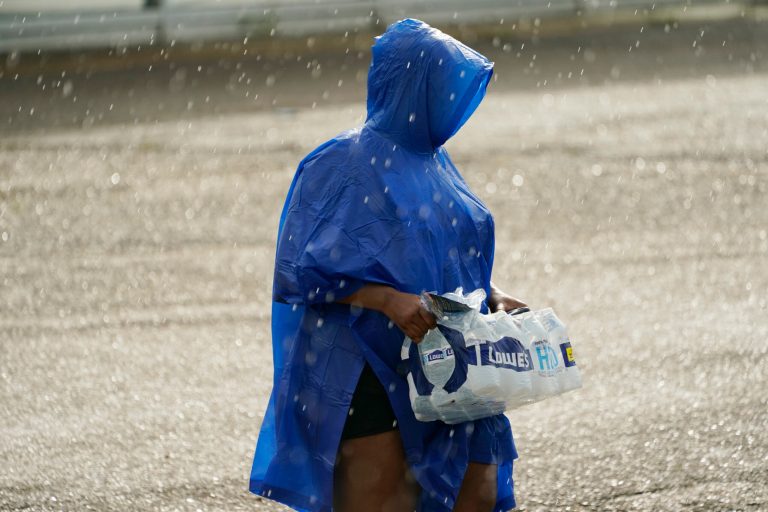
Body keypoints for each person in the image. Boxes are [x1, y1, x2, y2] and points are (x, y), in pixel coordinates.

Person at [250, 18, 527, 512]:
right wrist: (385, 299)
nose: (451, 99)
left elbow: (441, 258)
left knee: (473, 489)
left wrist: (491, 295)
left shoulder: (436, 163)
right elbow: (298, 270)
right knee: (385, 500)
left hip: (443, 364)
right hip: (361, 369)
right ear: (411, 84)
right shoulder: (341, 160)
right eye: (442, 84)